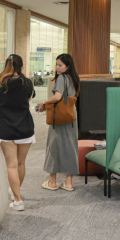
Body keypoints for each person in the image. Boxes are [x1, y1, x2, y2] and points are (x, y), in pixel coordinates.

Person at [0, 54, 36, 211]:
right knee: (21, 163)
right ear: (21, 65)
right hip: (25, 126)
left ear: (7, 64)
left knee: (11, 165)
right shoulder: (27, 82)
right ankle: (16, 194)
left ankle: (18, 199)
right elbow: (31, 97)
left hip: (5, 128)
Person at [38, 53, 81, 192]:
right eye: (56, 64)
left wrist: (44, 102)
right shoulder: (74, 79)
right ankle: (68, 183)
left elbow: (57, 97)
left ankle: (52, 182)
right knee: (70, 146)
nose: (57, 68)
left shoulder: (62, 78)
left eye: (60, 65)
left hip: (59, 117)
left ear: (67, 66)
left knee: (54, 146)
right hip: (71, 116)